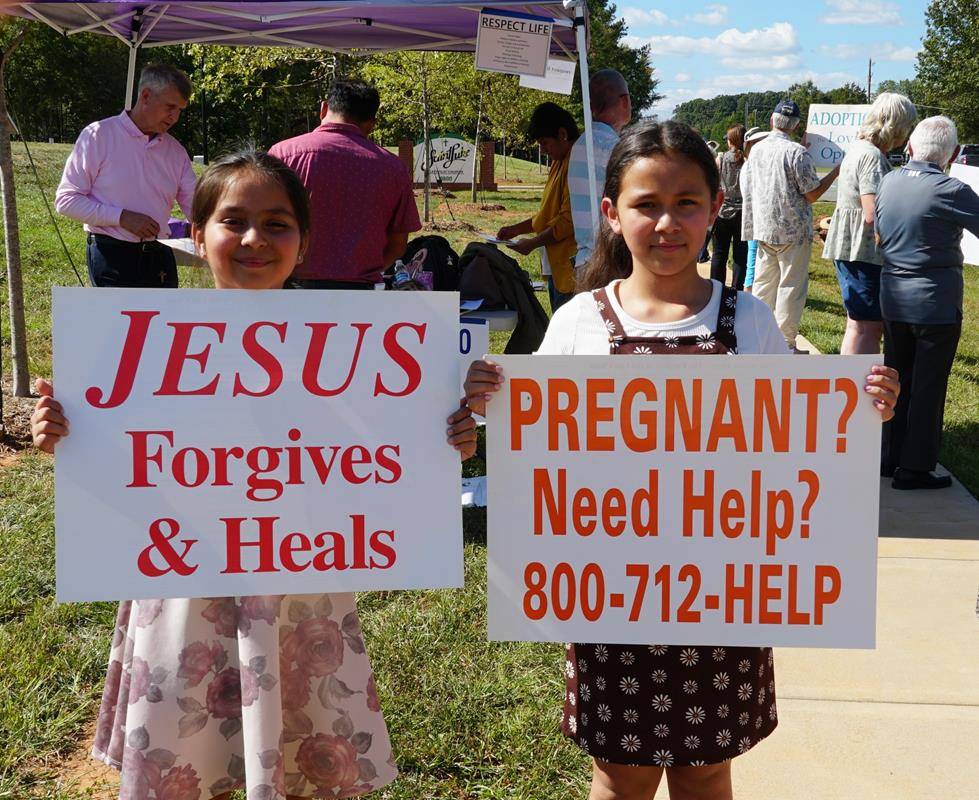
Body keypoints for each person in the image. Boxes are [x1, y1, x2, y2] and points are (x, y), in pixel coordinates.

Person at [463, 120, 900, 800]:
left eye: (685, 204)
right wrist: (490, 402)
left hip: (724, 600)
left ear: (715, 208)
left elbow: (802, 444)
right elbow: (536, 451)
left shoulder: (748, 321)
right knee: (620, 771)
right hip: (611, 596)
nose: (666, 222)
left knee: (706, 770)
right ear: (611, 214)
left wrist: (858, 406)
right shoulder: (579, 320)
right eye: (645, 204)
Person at [31, 150, 477, 800]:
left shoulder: (350, 348)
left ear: (303, 238)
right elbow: (113, 462)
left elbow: (388, 453)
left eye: (276, 223)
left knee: (297, 762)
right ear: (196, 230)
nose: (253, 240)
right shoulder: (141, 346)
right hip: (184, 580)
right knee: (184, 760)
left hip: (299, 578)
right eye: (232, 220)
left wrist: (449, 437)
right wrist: (63, 436)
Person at [876, 116, 979, 490]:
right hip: (934, 301)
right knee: (928, 387)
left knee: (894, 379)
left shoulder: (889, 180)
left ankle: (888, 457)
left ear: (910, 148)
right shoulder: (951, 189)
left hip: (893, 297)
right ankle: (915, 467)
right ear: (951, 154)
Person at [55, 64, 197, 288]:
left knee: (165, 324)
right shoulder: (98, 136)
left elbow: (197, 206)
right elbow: (66, 201)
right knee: (116, 324)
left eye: (180, 110)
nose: (175, 117)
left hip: (159, 255)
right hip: (111, 254)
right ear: (146, 96)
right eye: (170, 107)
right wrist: (121, 217)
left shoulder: (176, 151)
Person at [269, 79, 421, 289]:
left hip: (292, 285)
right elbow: (398, 246)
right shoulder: (394, 168)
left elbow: (263, 226)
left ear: (323, 108)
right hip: (360, 292)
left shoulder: (282, 155)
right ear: (371, 123)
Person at [822, 93, 917, 354]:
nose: (906, 135)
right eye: (906, 127)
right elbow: (873, 214)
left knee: (858, 324)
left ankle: (848, 383)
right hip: (863, 252)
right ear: (894, 126)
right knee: (868, 327)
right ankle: (858, 385)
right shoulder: (872, 157)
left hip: (852, 250)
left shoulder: (858, 148)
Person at [741, 100, 840, 351]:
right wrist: (835, 172)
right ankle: (784, 344)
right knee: (790, 288)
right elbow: (812, 194)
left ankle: (757, 337)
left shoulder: (757, 150)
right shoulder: (797, 153)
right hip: (793, 231)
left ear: (772, 120)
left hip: (764, 227)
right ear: (795, 125)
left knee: (763, 285)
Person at [496, 102, 578, 312]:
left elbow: (567, 222)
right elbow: (546, 216)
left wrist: (532, 243)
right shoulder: (558, 162)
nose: (542, 150)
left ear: (562, 134)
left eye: (544, 143)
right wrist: (515, 229)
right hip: (555, 267)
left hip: (571, 269)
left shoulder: (577, 162)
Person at [568, 69, 632, 274]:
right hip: (609, 260)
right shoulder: (612, 147)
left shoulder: (580, 143)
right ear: (624, 101)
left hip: (585, 258)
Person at [711, 124, 748, 289]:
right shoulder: (748, 160)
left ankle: (717, 288)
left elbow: (713, 183)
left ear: (731, 140)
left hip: (723, 210)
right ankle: (737, 290)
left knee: (719, 254)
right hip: (743, 212)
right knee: (740, 255)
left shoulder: (720, 159)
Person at [739, 129, 769, 294]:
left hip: (757, 219)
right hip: (757, 219)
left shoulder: (751, 165)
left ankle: (750, 290)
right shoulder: (750, 167)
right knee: (754, 258)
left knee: (755, 258)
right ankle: (749, 291)